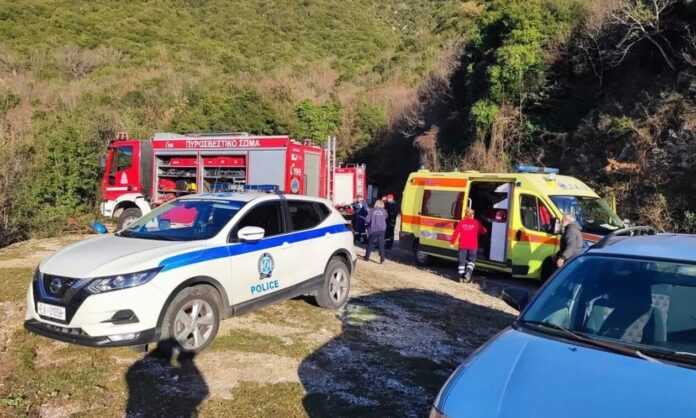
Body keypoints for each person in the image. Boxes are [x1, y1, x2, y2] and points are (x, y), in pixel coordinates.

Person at [450, 209, 488, 283]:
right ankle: (468, 272)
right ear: (472, 215)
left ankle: (460, 277)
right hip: (473, 245)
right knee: (472, 260)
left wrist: (452, 243)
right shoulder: (476, 222)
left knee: (462, 261)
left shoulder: (461, 222)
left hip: (463, 244)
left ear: (465, 214)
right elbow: (484, 231)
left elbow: (456, 233)